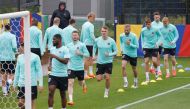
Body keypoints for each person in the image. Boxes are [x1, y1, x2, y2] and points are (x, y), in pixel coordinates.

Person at [13, 43, 43, 109]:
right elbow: (17, 71)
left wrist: (40, 84)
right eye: (20, 46)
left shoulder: (35, 57)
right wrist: (14, 84)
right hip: (21, 84)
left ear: (25, 47)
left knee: (32, 103)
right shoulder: (19, 57)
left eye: (21, 46)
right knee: (21, 103)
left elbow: (39, 71)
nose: (20, 48)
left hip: (32, 83)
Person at [93, 26, 117, 98]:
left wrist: (109, 54)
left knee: (107, 78)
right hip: (100, 62)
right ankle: (103, 75)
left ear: (107, 32)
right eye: (102, 31)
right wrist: (93, 55)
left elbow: (116, 51)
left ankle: (106, 91)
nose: (103, 32)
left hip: (108, 62)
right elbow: (94, 47)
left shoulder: (112, 41)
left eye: (105, 31)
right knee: (98, 79)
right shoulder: (97, 40)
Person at [66, 31, 89, 106]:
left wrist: (80, 53)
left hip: (79, 67)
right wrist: (66, 58)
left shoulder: (82, 45)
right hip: (70, 67)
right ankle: (71, 100)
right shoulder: (68, 45)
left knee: (80, 83)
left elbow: (88, 55)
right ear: (71, 37)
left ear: (78, 36)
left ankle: (84, 84)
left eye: (76, 35)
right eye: (73, 35)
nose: (75, 37)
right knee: (70, 82)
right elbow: (65, 54)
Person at [48, 34, 70, 109]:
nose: (53, 41)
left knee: (63, 94)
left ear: (59, 40)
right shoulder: (52, 49)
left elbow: (66, 61)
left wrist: (55, 57)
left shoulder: (65, 49)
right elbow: (51, 58)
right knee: (51, 91)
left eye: (54, 39)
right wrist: (50, 64)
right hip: (53, 74)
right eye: (53, 39)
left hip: (63, 75)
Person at [140, 18, 162, 85]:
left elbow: (160, 36)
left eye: (149, 24)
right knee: (146, 61)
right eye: (146, 24)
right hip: (146, 47)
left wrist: (157, 43)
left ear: (150, 24)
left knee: (154, 61)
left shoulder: (155, 29)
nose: (148, 25)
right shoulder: (143, 30)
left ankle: (156, 72)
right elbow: (142, 38)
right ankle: (147, 78)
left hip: (154, 47)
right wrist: (143, 45)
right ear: (145, 24)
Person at [0, 24, 17, 96]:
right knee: (12, 74)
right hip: (10, 57)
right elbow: (14, 46)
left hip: (2, 58)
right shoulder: (12, 36)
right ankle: (9, 82)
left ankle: (5, 92)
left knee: (3, 74)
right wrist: (15, 51)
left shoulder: (0, 36)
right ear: (10, 28)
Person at [120, 24, 139, 88]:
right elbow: (121, 43)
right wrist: (122, 49)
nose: (126, 31)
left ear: (130, 30)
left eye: (127, 30)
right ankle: (125, 82)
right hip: (125, 53)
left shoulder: (134, 36)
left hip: (133, 54)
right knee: (123, 66)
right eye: (125, 30)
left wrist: (130, 44)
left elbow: (137, 46)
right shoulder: (121, 35)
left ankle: (135, 80)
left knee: (134, 68)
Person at [80, 12, 96, 79]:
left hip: (84, 43)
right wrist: (96, 41)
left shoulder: (84, 24)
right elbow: (92, 35)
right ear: (90, 17)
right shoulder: (91, 25)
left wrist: (81, 42)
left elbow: (81, 34)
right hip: (89, 44)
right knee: (88, 59)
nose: (94, 19)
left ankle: (90, 73)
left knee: (89, 59)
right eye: (94, 17)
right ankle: (86, 74)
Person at [150, 12, 163, 76]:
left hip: (160, 42)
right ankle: (159, 70)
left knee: (158, 56)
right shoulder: (151, 24)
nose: (157, 18)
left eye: (158, 17)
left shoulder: (162, 24)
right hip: (154, 43)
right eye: (155, 17)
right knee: (157, 56)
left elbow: (163, 33)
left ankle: (151, 67)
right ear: (154, 17)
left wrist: (163, 41)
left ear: (160, 17)